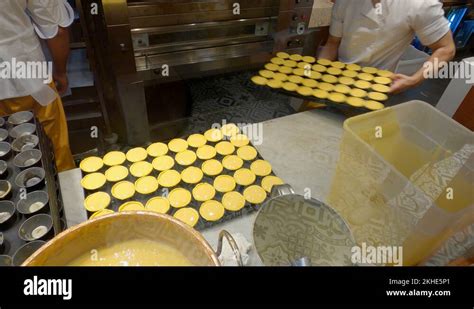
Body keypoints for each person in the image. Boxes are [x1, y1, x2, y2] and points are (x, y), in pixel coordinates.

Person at [0, 0, 75, 172]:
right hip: (28, 77)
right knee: (52, 150)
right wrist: (60, 72)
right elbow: (56, 30)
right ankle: (64, 192)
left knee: (6, 165)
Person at [318, 0, 456, 94]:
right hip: (337, 78)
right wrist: (319, 73)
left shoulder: (419, 4)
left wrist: (414, 80)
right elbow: (332, 43)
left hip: (376, 87)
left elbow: (446, 49)